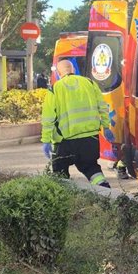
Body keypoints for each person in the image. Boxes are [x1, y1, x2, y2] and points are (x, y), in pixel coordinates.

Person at [41, 59, 111, 188]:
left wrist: (46, 140)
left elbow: (48, 117)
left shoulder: (55, 88)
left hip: (64, 141)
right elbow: (103, 106)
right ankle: (106, 192)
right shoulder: (89, 83)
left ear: (58, 73)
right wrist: (106, 127)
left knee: (60, 176)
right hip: (90, 139)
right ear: (73, 70)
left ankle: (65, 203)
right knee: (91, 168)